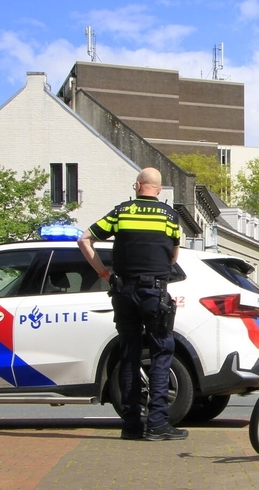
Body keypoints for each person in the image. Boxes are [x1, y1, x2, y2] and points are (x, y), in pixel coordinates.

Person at [78, 167, 188, 441]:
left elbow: (84, 239)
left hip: (124, 291)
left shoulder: (121, 212)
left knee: (129, 354)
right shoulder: (169, 217)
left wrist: (104, 274)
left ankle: (130, 425)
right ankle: (157, 423)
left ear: (138, 186)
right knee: (161, 354)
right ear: (158, 190)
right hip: (154, 293)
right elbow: (174, 257)